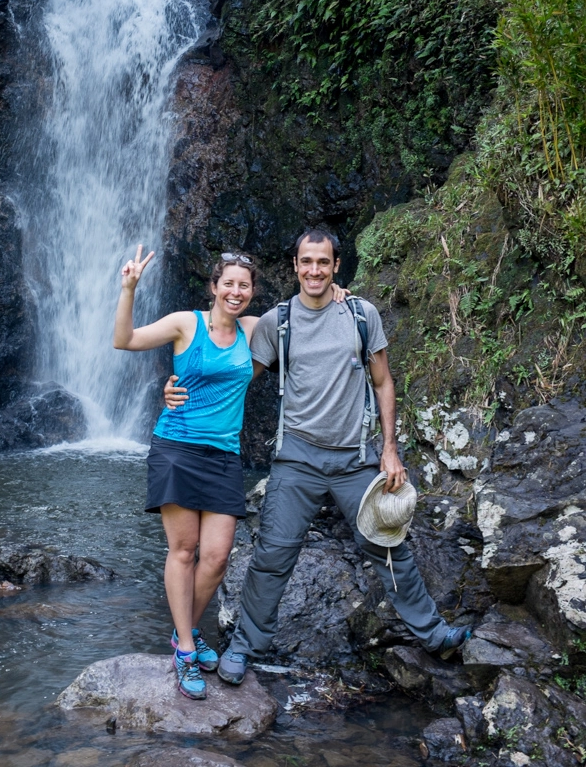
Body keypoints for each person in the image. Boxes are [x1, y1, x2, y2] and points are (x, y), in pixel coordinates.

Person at [164, 227, 472, 684]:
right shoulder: (276, 322)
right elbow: (232, 375)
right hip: (297, 459)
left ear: (335, 267)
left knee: (389, 547)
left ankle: (432, 634)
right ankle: (244, 646)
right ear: (294, 266)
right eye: (306, 262)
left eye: (322, 263)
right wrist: (178, 391)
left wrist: (390, 449)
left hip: (355, 457)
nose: (314, 270)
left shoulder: (361, 315)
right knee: (271, 555)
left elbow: (383, 381)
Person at [114, 242, 347, 700]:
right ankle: (185, 647)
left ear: (252, 291)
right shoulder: (187, 323)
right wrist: (129, 289)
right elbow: (125, 341)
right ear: (214, 287)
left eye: (244, 285)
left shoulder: (255, 328)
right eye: (228, 284)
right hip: (177, 447)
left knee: (217, 558)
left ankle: (186, 631)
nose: (236, 292)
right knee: (183, 551)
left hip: (223, 455)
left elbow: (308, 310)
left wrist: (334, 291)